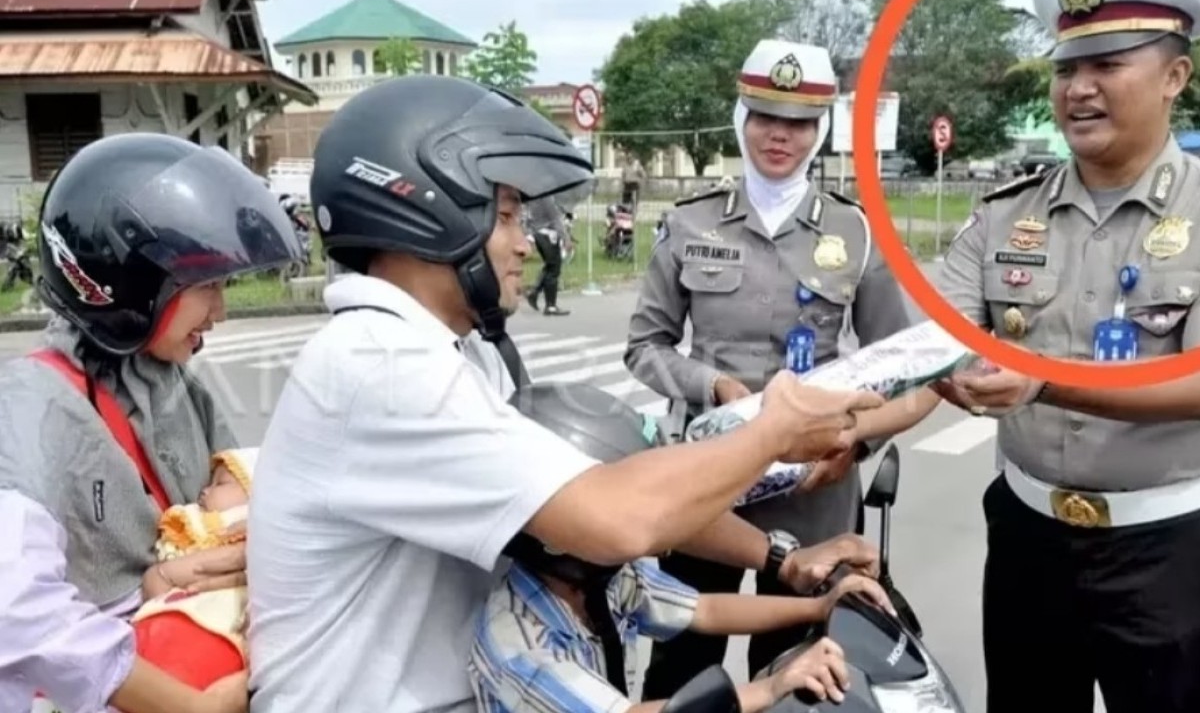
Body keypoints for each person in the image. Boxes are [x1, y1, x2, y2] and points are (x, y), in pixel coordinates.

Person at [244, 74, 885, 713]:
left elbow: (606, 485)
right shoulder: (381, 366)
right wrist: (772, 433)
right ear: (427, 212)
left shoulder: (456, 352)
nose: (525, 242)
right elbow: (615, 518)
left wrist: (784, 560)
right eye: (503, 216)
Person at [624, 38, 942, 695]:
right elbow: (645, 345)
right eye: (766, 116)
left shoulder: (857, 233)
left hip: (815, 500)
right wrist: (709, 384)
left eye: (798, 122)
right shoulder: (690, 223)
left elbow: (904, 367)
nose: (780, 135)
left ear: (820, 129)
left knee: (801, 676)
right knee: (683, 668)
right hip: (705, 492)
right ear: (742, 118)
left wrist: (854, 444)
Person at [933, 0, 1200, 713]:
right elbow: (936, 337)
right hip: (1028, 538)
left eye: (1107, 65)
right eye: (1066, 69)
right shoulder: (1004, 212)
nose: (1079, 89)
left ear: (1174, 76)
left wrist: (1045, 382)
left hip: (1170, 550)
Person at [0, 133, 302, 713]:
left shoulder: (176, 388)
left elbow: (236, 514)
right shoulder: (30, 405)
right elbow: (16, 606)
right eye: (206, 286)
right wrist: (192, 706)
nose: (221, 310)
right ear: (129, 284)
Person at [469, 381, 897, 713]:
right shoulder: (518, 640)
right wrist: (769, 688)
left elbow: (704, 610)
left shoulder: (606, 579)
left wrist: (820, 609)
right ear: (555, 531)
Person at [134, 448, 259, 694]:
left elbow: (180, 573)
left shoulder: (245, 532)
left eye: (220, 483)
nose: (205, 491)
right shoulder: (196, 533)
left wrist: (166, 574)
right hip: (162, 642)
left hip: (216, 643)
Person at [523, 194, 571, 315]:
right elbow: (555, 218)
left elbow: (527, 216)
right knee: (554, 268)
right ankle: (550, 305)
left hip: (537, 233)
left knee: (549, 265)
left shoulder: (532, 195)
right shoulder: (546, 196)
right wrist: (565, 237)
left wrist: (529, 233)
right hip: (548, 234)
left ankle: (534, 292)